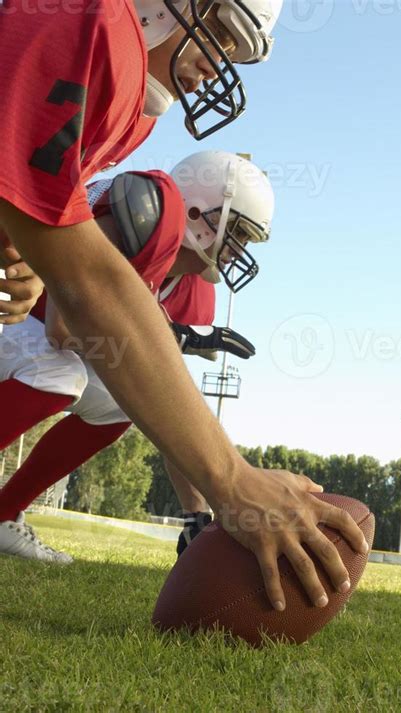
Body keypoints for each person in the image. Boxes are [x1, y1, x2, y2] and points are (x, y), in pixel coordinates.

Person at [0, 2, 368, 612]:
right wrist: (232, 479)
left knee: (118, 395)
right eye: (220, 33)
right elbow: (85, 294)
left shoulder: (130, 114)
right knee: (63, 371)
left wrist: (24, 258)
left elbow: (40, 226)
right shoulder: (93, 27)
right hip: (35, 342)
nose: (217, 64)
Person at [0, 151, 268, 562]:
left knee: (121, 404)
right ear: (197, 210)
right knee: (62, 373)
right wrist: (167, 334)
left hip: (38, 337)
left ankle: (4, 513)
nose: (239, 249)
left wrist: (195, 515)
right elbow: (63, 328)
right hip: (15, 303)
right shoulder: (149, 211)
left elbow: (169, 400)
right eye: (237, 231)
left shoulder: (193, 290)